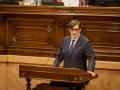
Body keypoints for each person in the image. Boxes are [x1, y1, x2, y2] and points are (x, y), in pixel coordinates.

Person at [52, 19, 96, 90]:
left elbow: (91, 58)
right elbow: (60, 56)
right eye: (72, 29)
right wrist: (53, 67)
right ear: (69, 30)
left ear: (80, 30)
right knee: (53, 84)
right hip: (66, 75)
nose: (74, 32)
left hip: (79, 76)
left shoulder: (85, 42)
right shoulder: (65, 40)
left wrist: (90, 71)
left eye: (76, 29)